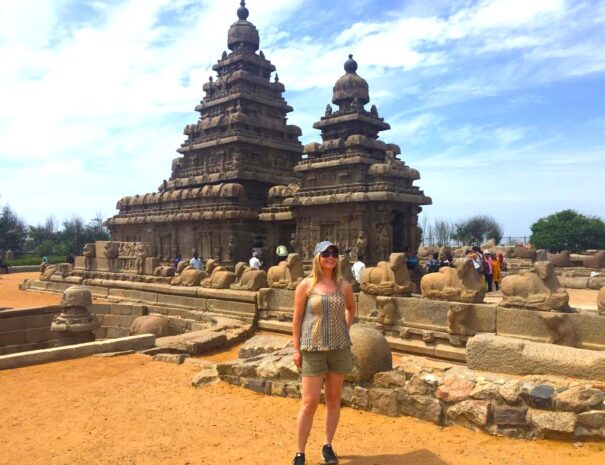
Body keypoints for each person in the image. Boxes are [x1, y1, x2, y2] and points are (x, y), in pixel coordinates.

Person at [292, 241, 356, 465]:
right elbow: (297, 318)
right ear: (317, 257)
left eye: (334, 253)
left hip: (339, 348)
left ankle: (327, 445)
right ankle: (300, 451)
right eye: (326, 253)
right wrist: (296, 348)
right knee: (309, 402)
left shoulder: (343, 285)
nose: (331, 257)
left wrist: (345, 329)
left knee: (333, 399)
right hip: (312, 348)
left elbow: (351, 308)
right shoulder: (306, 285)